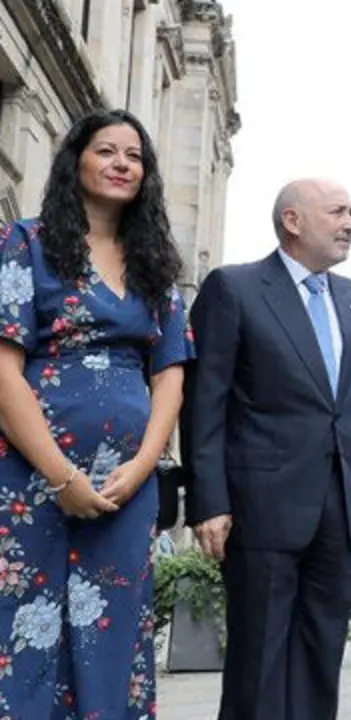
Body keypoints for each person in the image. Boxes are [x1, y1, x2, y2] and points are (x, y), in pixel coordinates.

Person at [0, 108, 191, 717]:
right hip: (31, 478)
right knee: (22, 624)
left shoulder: (157, 263)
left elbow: (170, 374)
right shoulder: (26, 243)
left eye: (134, 157)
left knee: (114, 628)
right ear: (76, 160)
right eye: (107, 151)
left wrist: (141, 467)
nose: (121, 165)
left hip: (123, 488)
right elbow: (3, 367)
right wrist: (60, 475)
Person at [184, 178, 351, 720]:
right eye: (339, 212)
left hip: (340, 512)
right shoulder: (235, 288)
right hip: (260, 509)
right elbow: (205, 403)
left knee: (323, 656)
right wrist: (210, 501)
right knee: (259, 660)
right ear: (293, 221)